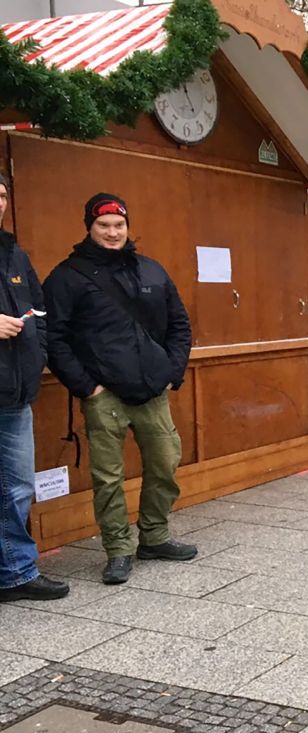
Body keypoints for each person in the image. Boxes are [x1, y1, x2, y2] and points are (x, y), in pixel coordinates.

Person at [45, 194, 197, 586]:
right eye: (104, 226)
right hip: (104, 395)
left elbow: (180, 325)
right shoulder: (67, 276)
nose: (112, 233)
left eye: (119, 225)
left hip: (153, 392)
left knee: (165, 464)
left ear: (128, 227)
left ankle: (155, 536)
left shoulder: (152, 270)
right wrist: (86, 387)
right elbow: (54, 338)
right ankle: (117, 549)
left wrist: (171, 372)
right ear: (89, 228)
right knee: (108, 477)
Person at [0, 175, 69, 603]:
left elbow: (39, 312)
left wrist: (37, 354)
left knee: (19, 486)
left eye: (2, 194)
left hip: (14, 396)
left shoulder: (13, 253)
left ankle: (15, 572)